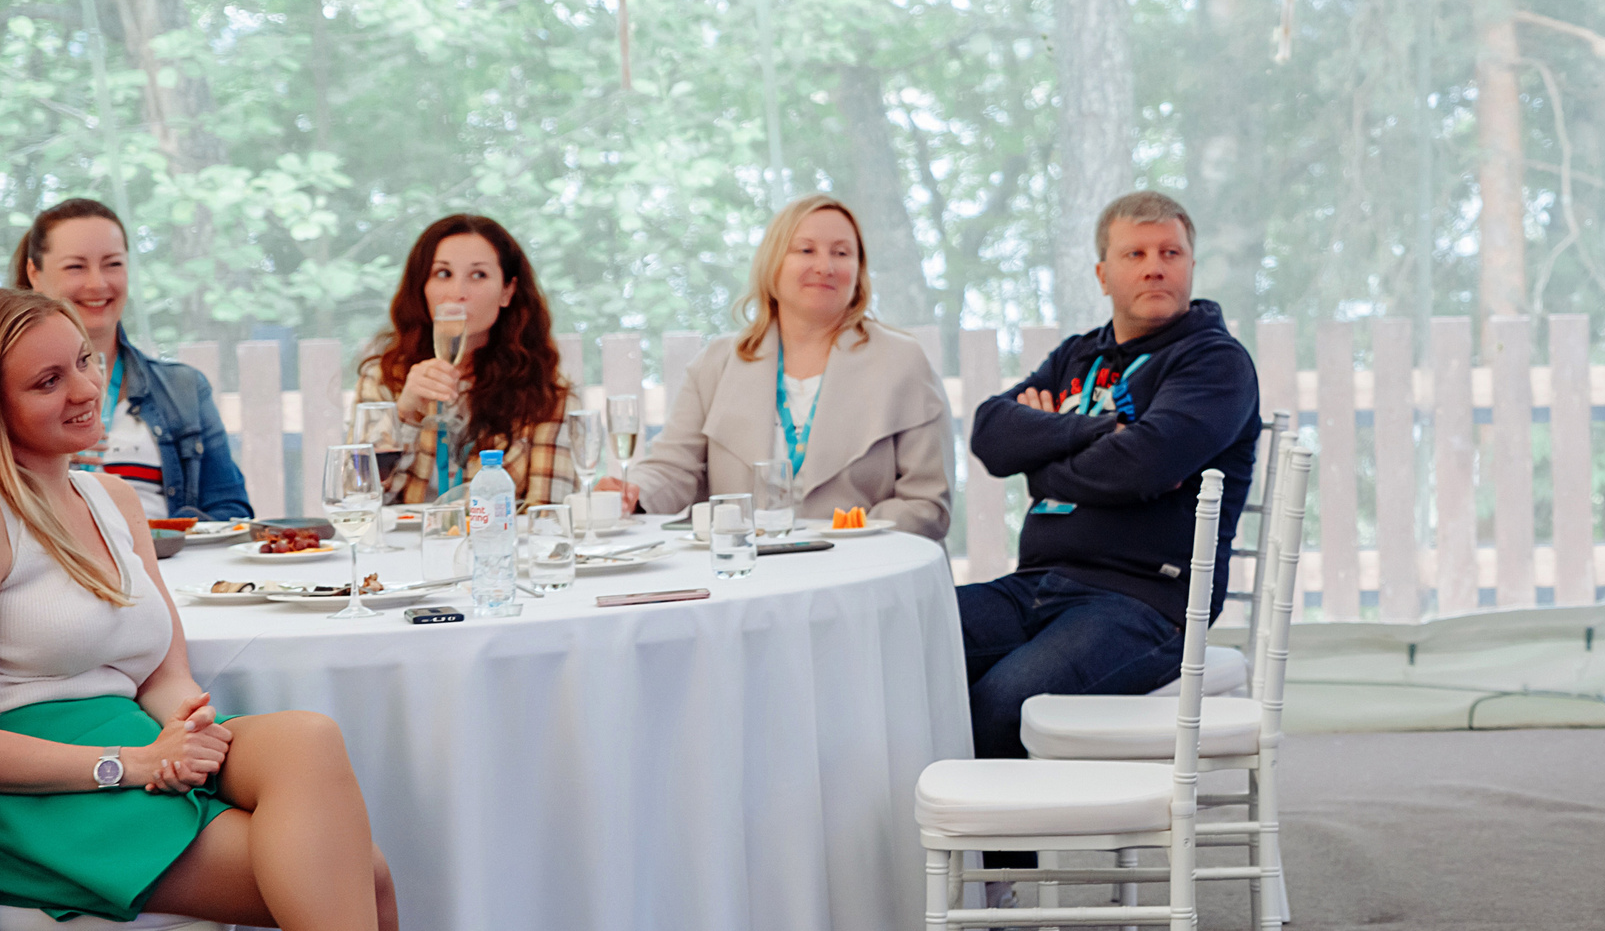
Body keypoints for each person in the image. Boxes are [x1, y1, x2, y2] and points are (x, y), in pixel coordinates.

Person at [0, 289, 452, 931]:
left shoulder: (111, 501)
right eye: (45, 380)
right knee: (367, 879)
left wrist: (185, 728)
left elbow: (163, 663)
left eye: (86, 362)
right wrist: (130, 763)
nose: (82, 388)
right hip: (38, 791)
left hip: (137, 746)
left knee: (307, 739)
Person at [959, 190, 1261, 761]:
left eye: (1170, 252)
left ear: (1190, 265)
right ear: (1103, 274)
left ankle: (999, 849)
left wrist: (1043, 463)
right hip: (1038, 583)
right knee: (907, 645)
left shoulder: (1215, 362)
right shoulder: (1078, 356)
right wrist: (1098, 432)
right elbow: (991, 433)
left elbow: (1142, 465)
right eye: (1135, 253)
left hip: (1146, 603)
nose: (1154, 266)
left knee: (1004, 702)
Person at [602, 194, 951, 537]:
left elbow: (927, 504)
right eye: (806, 250)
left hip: (863, 573)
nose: (825, 267)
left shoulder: (903, 362)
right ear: (773, 264)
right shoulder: (716, 363)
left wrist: (855, 533)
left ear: (859, 272)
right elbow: (673, 470)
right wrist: (632, 491)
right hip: (746, 569)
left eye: (842, 253)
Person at [12, 198, 252, 522]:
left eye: (113, 264)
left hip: (171, 567)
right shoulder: (9, 392)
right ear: (34, 273)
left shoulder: (184, 388)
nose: (97, 283)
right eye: (76, 266)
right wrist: (43, 469)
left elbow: (231, 512)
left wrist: (168, 536)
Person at [353, 216, 572, 507]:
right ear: (422, 287)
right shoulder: (383, 376)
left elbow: (548, 515)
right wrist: (404, 413)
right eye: (443, 273)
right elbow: (357, 499)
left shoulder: (545, 392)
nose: (458, 292)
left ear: (507, 291)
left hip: (496, 548)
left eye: (478, 275)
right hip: (407, 551)